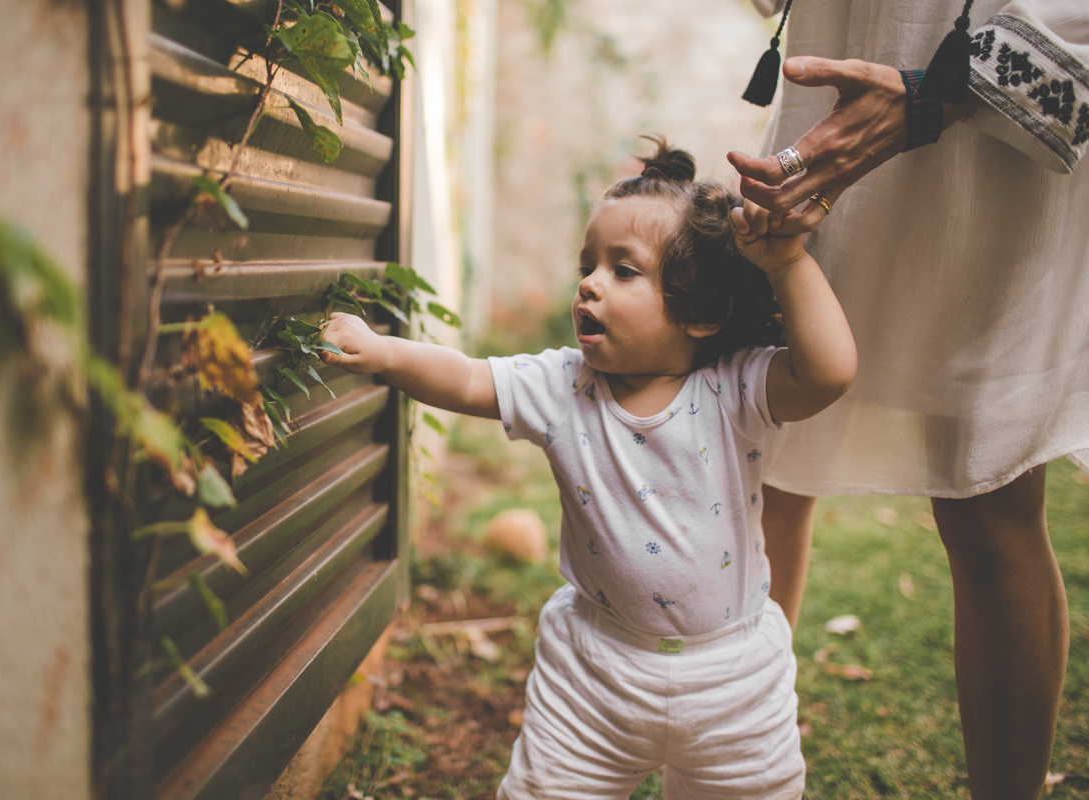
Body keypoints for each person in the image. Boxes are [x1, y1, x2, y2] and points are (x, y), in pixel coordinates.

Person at [320, 138, 856, 799]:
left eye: (622, 271)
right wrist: (382, 352)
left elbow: (829, 372)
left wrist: (788, 262)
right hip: (594, 673)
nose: (589, 282)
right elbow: (464, 379)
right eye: (589, 264)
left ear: (701, 313)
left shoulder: (736, 392)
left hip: (734, 681)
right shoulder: (561, 385)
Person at [725, 1, 1089, 798]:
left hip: (984, 155)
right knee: (763, 441)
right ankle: (737, 759)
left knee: (986, 494)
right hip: (831, 111)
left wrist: (939, 91)